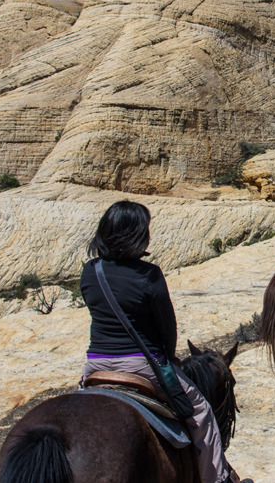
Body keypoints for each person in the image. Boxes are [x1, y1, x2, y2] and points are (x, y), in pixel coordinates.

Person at [79, 200, 238, 483]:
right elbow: (167, 331)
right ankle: (217, 479)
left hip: (96, 363)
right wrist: (170, 359)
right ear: (136, 235)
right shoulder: (149, 274)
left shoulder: (91, 271)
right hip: (142, 364)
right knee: (201, 412)